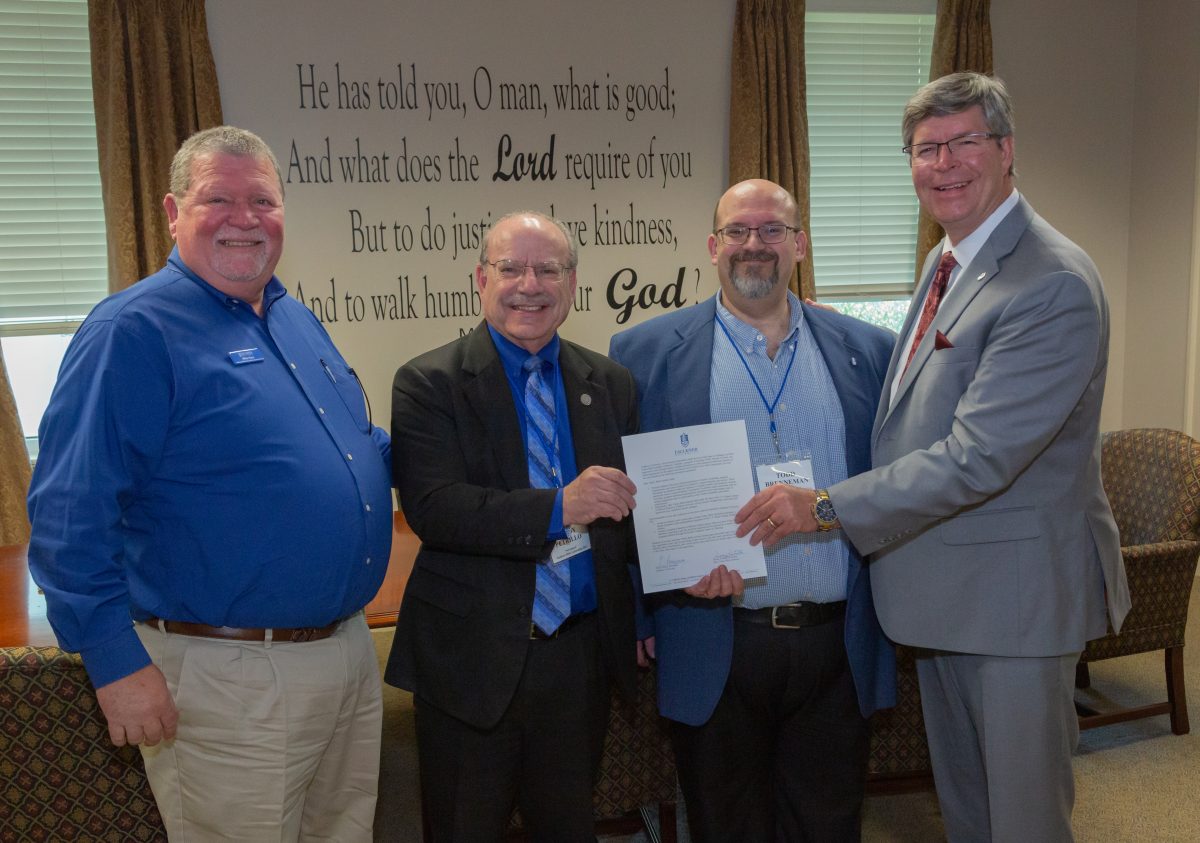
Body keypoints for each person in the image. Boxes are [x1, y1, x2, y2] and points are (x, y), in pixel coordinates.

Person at [740, 73, 1132, 842]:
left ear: (1007, 149)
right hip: (954, 592)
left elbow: (978, 456)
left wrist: (824, 504)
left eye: (964, 143)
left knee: (1022, 822)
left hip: (1017, 606)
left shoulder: (1050, 281)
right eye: (926, 149)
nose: (944, 164)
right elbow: (919, 389)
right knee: (971, 814)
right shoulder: (949, 258)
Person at [26, 126, 392, 842]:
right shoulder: (133, 331)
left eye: (261, 199)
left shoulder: (290, 316)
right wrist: (114, 661)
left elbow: (352, 449)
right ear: (172, 211)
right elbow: (72, 514)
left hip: (343, 654)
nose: (243, 217)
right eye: (217, 198)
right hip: (229, 676)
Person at [608, 178, 896, 842]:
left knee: (829, 824)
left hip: (835, 639)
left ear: (799, 243)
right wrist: (645, 607)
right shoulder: (645, 352)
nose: (754, 245)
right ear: (713, 247)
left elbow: (891, 482)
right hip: (713, 634)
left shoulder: (865, 350)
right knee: (725, 824)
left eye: (771, 230)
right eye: (737, 231)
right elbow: (629, 496)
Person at [384, 210, 639, 842]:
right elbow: (436, 508)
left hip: (578, 661)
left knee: (570, 829)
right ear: (480, 279)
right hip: (471, 662)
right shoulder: (428, 382)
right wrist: (560, 509)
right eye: (512, 268)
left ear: (571, 283)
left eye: (547, 269)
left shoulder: (608, 383)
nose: (530, 285)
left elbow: (633, 518)